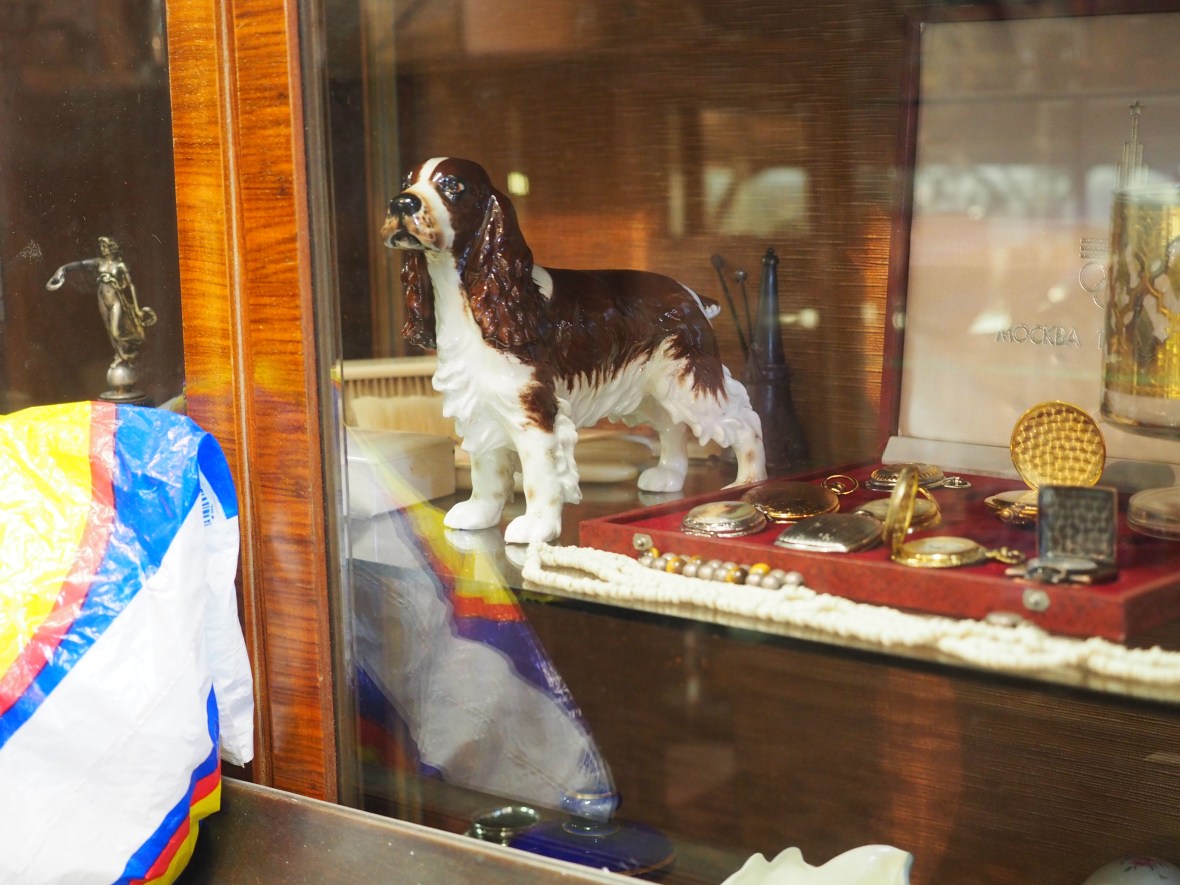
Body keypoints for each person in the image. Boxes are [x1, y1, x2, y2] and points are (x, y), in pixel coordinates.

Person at [46, 237, 157, 366]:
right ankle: (121, 355)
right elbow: (82, 263)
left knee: (116, 331)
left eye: (105, 247)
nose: (102, 249)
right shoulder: (100, 262)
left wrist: (137, 308)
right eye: (102, 247)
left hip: (115, 299)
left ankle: (133, 342)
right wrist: (63, 269)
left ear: (112, 248)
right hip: (102, 298)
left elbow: (131, 285)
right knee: (109, 329)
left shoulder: (120, 265)